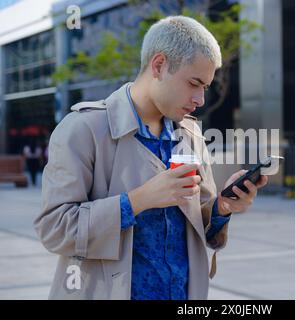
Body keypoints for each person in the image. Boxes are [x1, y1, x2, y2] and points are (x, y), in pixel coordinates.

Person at [34, 15, 268, 300]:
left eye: (204, 87)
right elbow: (54, 229)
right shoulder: (82, 129)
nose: (200, 100)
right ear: (159, 65)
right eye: (194, 83)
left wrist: (221, 207)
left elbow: (199, 218)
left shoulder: (190, 133)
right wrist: (138, 200)